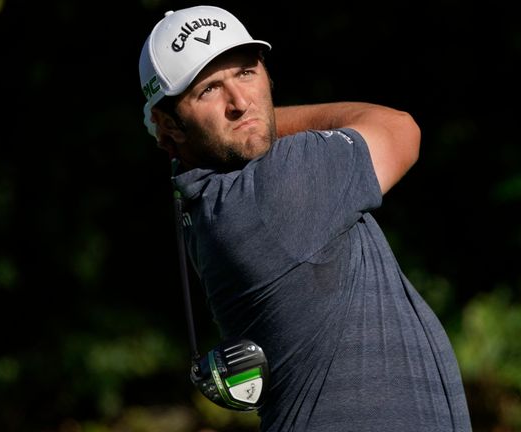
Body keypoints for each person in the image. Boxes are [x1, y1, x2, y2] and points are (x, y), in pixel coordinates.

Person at [139, 5, 472, 431]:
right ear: (170, 126)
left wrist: (256, 125)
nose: (240, 102)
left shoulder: (210, 203)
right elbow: (400, 129)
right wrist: (266, 121)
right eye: (208, 91)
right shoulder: (272, 190)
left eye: (246, 72)